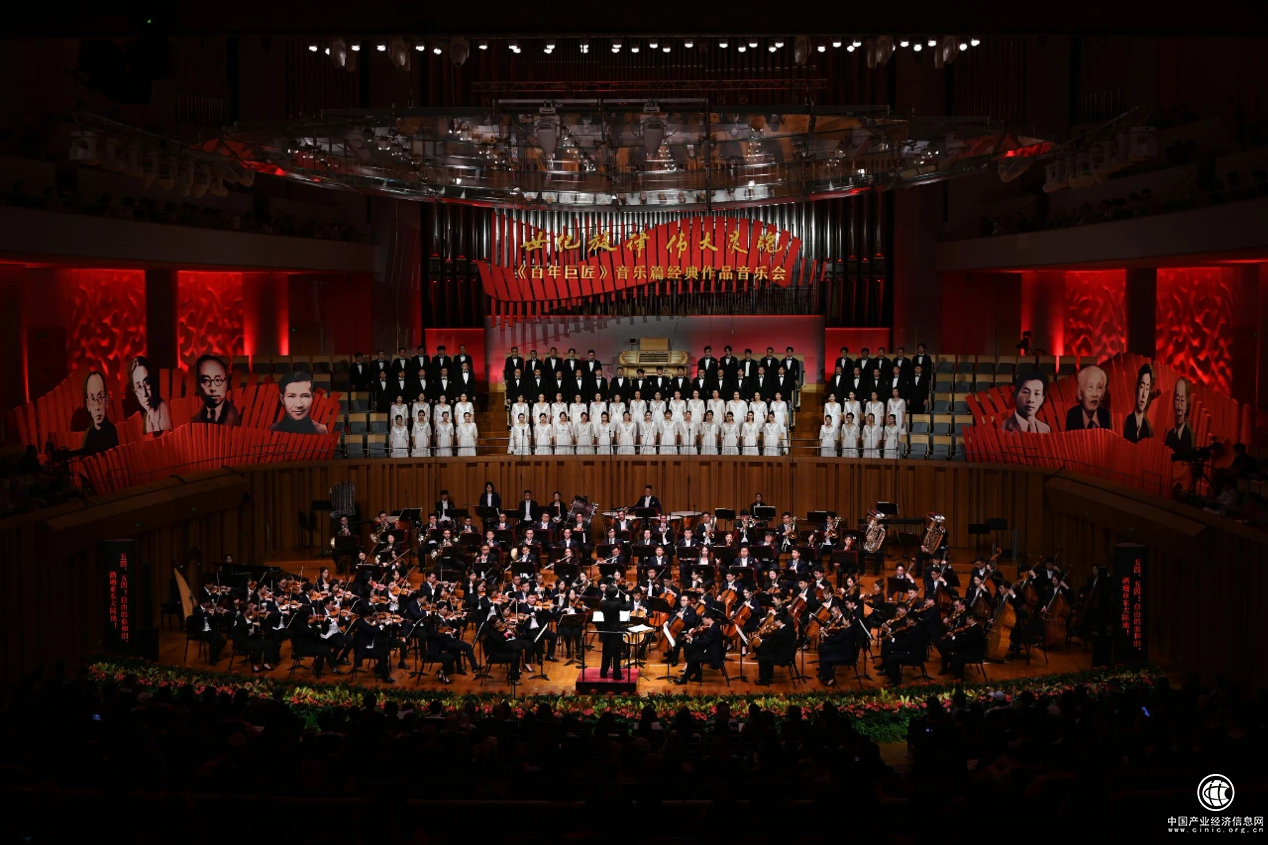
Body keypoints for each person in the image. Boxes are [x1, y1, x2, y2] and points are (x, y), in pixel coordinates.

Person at [673, 615, 724, 684]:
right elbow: (706, 639)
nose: (703, 622)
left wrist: (692, 639)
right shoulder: (714, 626)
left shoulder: (714, 629)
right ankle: (697, 676)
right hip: (711, 650)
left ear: (709, 618)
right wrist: (695, 636)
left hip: (713, 655)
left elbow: (705, 642)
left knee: (692, 658)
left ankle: (684, 679)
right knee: (691, 651)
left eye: (704, 619)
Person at [192, 354, 241, 425]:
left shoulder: (232, 415)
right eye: (206, 380)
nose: (213, 388)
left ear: (226, 383)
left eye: (218, 380)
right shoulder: (196, 419)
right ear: (198, 384)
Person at [129, 356, 171, 434]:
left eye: (147, 383)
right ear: (135, 391)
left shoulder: (163, 409)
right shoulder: (146, 415)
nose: (144, 393)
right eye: (139, 387)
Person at [80, 370, 118, 455]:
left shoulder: (111, 431)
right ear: (88, 405)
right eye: (93, 399)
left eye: (100, 397)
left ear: (106, 401)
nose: (97, 407)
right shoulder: (90, 435)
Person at [598, 585, 631, 679]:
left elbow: (610, 601)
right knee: (616, 653)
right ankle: (616, 675)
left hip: (606, 630)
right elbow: (627, 607)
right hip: (616, 631)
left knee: (606, 653)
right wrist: (627, 599)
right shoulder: (617, 604)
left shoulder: (602, 603)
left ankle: (603, 673)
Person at [1065, 365, 1111, 430]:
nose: (1095, 394)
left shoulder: (1106, 415)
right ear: (1080, 392)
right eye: (1090, 387)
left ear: (1103, 393)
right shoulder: (1073, 415)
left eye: (1099, 387)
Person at [1123, 363, 1156, 443]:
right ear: (1136, 388)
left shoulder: (1146, 428)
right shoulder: (1128, 421)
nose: (1144, 395)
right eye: (1142, 387)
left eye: (1147, 389)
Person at [1165, 377, 1194, 453]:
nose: (1179, 407)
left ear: (1187, 404)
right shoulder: (1169, 436)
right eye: (1177, 399)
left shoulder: (1189, 437)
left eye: (1182, 400)